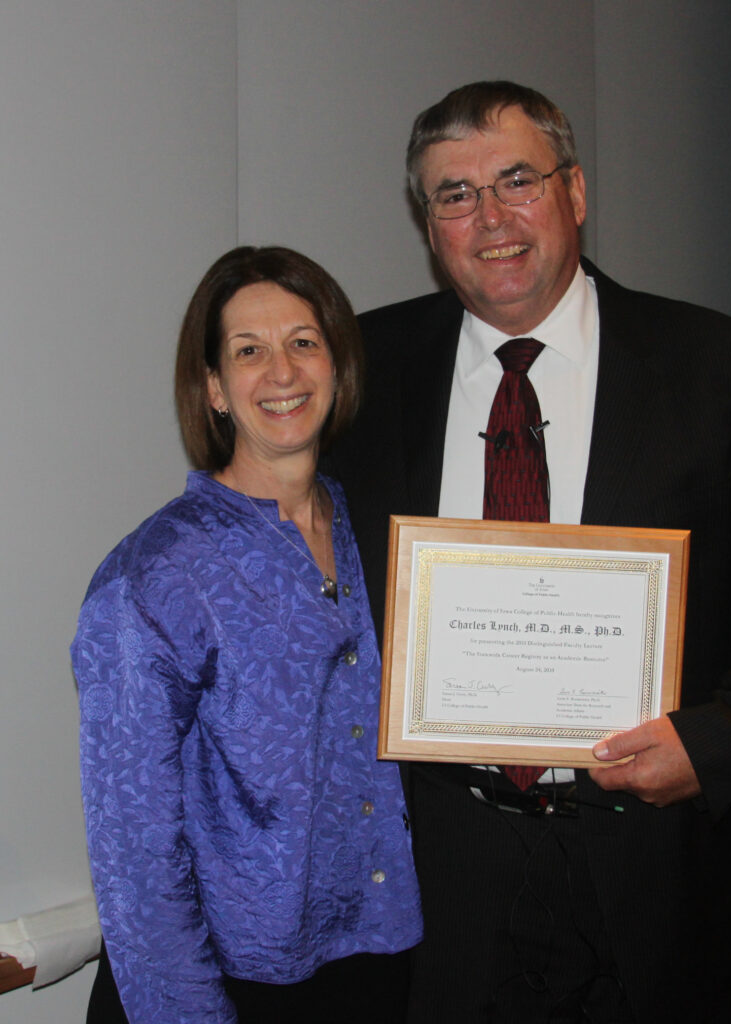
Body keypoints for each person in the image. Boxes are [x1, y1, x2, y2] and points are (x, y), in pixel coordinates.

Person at [327, 82, 731, 1023]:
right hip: (436, 873)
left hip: (657, 867)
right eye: (454, 195)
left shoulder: (715, 366)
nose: (490, 217)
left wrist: (714, 741)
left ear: (573, 192)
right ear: (428, 224)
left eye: (516, 180)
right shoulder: (363, 371)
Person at [72, 246, 422, 1024]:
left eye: (304, 342)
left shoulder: (383, 535)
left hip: (379, 959)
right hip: (226, 984)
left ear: (337, 365)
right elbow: (136, 858)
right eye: (248, 351)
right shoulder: (154, 578)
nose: (283, 372)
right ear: (213, 390)